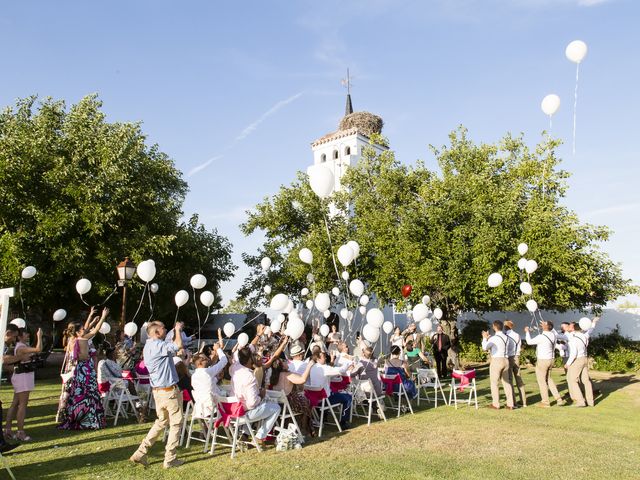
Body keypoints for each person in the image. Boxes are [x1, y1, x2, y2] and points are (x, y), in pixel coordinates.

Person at [130, 321, 185, 469]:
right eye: (163, 327)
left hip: (158, 392)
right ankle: (170, 459)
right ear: (156, 332)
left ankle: (140, 452)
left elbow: (170, 347)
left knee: (161, 422)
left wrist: (174, 332)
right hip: (168, 391)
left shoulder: (148, 346)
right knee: (175, 424)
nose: (165, 329)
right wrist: (178, 330)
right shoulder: (158, 345)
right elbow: (178, 346)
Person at [57, 307, 108, 430]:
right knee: (89, 391)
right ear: (79, 332)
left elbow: (87, 327)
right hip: (86, 368)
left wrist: (90, 317)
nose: (84, 329)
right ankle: (90, 418)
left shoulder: (71, 341)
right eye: (82, 329)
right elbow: (95, 330)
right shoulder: (83, 339)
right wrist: (103, 317)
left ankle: (77, 414)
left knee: (79, 391)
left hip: (78, 369)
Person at [230, 346, 281, 444]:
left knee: (259, 405)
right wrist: (261, 395)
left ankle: (245, 434)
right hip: (242, 413)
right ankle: (260, 436)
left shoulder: (234, 368)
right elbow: (252, 403)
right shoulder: (249, 376)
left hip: (232, 410)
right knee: (276, 408)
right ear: (250, 359)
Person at [4, 327, 42, 441]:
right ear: (20, 336)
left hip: (21, 377)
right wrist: (39, 336)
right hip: (23, 378)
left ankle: (8, 429)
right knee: (22, 405)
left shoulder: (20, 346)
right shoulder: (21, 347)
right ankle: (20, 432)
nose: (28, 335)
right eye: (25, 333)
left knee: (15, 404)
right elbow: (38, 349)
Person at [270, 355, 316, 436]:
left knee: (303, 399)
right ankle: (305, 429)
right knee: (306, 402)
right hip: (288, 406)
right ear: (281, 365)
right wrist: (308, 366)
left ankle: (302, 428)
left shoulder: (273, 375)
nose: (287, 362)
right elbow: (302, 380)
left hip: (277, 405)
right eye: (284, 361)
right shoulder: (287, 375)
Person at [1, 323, 28, 453]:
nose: (14, 340)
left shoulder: (6, 345)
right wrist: (20, 358)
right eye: (13, 337)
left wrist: (14, 368)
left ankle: (2, 440)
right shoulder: (1, 343)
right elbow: (3, 360)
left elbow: (4, 365)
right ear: (8, 333)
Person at [308, 350, 352, 429]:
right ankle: (343, 422)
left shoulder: (312, 368)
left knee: (334, 392)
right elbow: (341, 370)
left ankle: (323, 418)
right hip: (325, 400)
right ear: (318, 359)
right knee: (348, 397)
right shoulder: (324, 368)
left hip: (315, 399)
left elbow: (328, 375)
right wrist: (349, 362)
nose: (325, 358)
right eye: (324, 357)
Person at [525, 321, 564, 407]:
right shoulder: (553, 335)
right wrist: (543, 326)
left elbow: (529, 342)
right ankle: (558, 399)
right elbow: (548, 328)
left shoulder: (541, 337)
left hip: (543, 360)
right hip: (551, 359)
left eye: (544, 324)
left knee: (542, 381)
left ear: (546, 327)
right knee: (549, 379)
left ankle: (545, 402)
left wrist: (527, 332)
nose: (542, 324)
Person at [191, 339, 228, 419]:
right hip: (215, 409)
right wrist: (218, 349)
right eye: (205, 359)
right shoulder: (207, 371)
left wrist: (217, 378)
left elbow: (206, 385)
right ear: (199, 363)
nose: (207, 359)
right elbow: (224, 361)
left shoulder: (194, 376)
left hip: (201, 410)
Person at [481, 320, 514, 410]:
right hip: (506, 359)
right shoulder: (507, 337)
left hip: (497, 360)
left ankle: (496, 404)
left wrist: (484, 338)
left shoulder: (494, 338)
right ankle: (510, 404)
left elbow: (485, 347)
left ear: (494, 327)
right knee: (507, 383)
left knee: (494, 383)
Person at [563, 321, 595, 407]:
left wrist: (568, 364)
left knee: (572, 380)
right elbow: (590, 330)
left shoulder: (573, 339)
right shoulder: (584, 336)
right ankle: (590, 401)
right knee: (586, 381)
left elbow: (573, 353)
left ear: (574, 329)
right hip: (585, 358)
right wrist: (594, 323)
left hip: (577, 360)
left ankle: (580, 401)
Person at [504, 320, 526, 407]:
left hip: (509, 357)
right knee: (519, 379)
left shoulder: (505, 336)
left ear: (506, 326)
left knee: (509, 380)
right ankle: (523, 401)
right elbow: (519, 345)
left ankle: (513, 402)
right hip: (516, 357)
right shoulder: (517, 335)